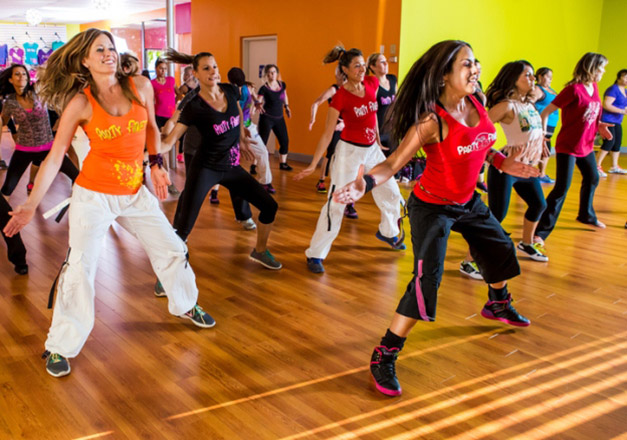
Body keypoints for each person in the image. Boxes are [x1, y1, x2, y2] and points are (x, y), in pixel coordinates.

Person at [3, 29, 216, 378]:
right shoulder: (81, 103)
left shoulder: (140, 87)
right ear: (84, 60)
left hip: (134, 193)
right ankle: (59, 345)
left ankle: (185, 304)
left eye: (111, 48)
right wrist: (29, 205)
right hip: (94, 197)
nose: (108, 54)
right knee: (81, 270)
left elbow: (151, 130)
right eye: (99, 50)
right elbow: (56, 157)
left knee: (173, 247)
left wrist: (158, 165)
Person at [332, 40, 539, 396]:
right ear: (444, 75)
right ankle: (385, 353)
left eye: (476, 62)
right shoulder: (431, 121)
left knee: (501, 248)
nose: (475, 69)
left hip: (467, 200)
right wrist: (364, 183)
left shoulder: (478, 102)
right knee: (427, 280)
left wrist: (503, 162)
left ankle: (497, 302)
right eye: (466, 65)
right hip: (432, 205)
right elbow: (393, 163)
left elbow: (481, 144)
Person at [160, 49, 282, 270]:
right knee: (184, 227)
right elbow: (170, 140)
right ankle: (167, 274)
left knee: (269, 206)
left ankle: (260, 251)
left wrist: (242, 139)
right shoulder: (194, 105)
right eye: (206, 68)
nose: (213, 71)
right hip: (205, 168)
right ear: (196, 74)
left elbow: (236, 111)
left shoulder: (229, 90)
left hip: (232, 165)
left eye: (214, 66)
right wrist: (149, 148)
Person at [295, 46, 405, 274]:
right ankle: (315, 253)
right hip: (348, 153)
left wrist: (377, 139)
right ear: (345, 69)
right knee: (337, 202)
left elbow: (373, 113)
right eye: (357, 65)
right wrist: (314, 164)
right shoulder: (340, 97)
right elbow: (327, 134)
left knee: (392, 192)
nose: (362, 69)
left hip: (372, 150)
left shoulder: (372, 84)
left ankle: (388, 232)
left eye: (364, 65)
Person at [535, 53, 612, 242]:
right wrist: (544, 137)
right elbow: (545, 112)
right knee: (562, 188)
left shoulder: (594, 86)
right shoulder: (573, 90)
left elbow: (591, 112)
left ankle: (586, 215)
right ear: (591, 68)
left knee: (592, 177)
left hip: (586, 145)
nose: (603, 73)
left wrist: (599, 125)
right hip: (568, 146)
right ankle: (540, 232)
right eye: (601, 69)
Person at [484, 60, 549, 261]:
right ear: (513, 80)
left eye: (532, 75)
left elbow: (532, 129)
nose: (533, 79)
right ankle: (470, 260)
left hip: (526, 168)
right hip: (507, 168)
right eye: (527, 75)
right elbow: (479, 133)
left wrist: (541, 143)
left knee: (539, 205)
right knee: (496, 215)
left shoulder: (527, 103)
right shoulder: (506, 106)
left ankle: (526, 243)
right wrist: (494, 156)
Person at [0, 64, 78, 199]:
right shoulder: (10, 103)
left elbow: (52, 80)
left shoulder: (38, 92)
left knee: (77, 177)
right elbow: (3, 122)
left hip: (48, 147)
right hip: (24, 150)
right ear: (10, 79)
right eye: (17, 74)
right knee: (7, 188)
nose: (21, 77)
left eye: (24, 74)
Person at [308, 66, 357, 218]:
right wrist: (312, 119)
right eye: (340, 75)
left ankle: (349, 198)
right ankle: (321, 180)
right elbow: (316, 103)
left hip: (348, 128)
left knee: (350, 160)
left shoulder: (353, 89)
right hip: (336, 127)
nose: (342, 78)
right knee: (330, 153)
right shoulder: (334, 89)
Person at [228, 67, 275, 194]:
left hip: (248, 127)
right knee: (229, 160)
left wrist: (257, 104)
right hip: (233, 129)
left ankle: (265, 182)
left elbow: (255, 98)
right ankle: (215, 191)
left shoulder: (248, 88)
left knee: (263, 152)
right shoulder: (228, 93)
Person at [151, 58, 180, 195]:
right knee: (163, 148)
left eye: (165, 68)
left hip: (171, 117)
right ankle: (167, 180)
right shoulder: (152, 84)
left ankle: (166, 176)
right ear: (156, 69)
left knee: (168, 146)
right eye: (161, 68)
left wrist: (176, 103)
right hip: (158, 117)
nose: (163, 71)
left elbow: (179, 93)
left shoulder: (171, 80)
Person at [258, 64, 292, 171]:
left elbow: (284, 96)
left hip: (279, 118)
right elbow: (258, 100)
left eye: (274, 72)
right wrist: (257, 105)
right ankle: (255, 165)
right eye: (269, 72)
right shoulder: (264, 88)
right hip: (267, 118)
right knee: (262, 142)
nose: (272, 74)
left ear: (277, 73)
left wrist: (286, 106)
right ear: (266, 75)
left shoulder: (282, 85)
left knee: (285, 141)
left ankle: (283, 163)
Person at [596, 69, 627, 175]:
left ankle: (614, 166)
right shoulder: (613, 89)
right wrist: (622, 111)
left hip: (617, 120)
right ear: (619, 78)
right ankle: (596, 166)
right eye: (625, 77)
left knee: (617, 143)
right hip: (607, 120)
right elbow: (607, 105)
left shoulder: (625, 91)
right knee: (609, 142)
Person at [367, 53, 397, 155]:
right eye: (382, 62)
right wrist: (377, 137)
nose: (386, 64)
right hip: (379, 129)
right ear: (373, 66)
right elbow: (372, 111)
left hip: (392, 129)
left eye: (386, 61)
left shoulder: (393, 79)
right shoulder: (373, 84)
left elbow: (396, 104)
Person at [533, 67, 559, 183]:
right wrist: (537, 116)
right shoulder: (537, 90)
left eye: (551, 77)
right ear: (540, 76)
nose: (550, 79)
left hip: (551, 123)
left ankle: (542, 174)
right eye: (548, 76)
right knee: (541, 148)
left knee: (546, 147)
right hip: (542, 123)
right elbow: (529, 104)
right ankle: (535, 174)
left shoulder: (550, 89)